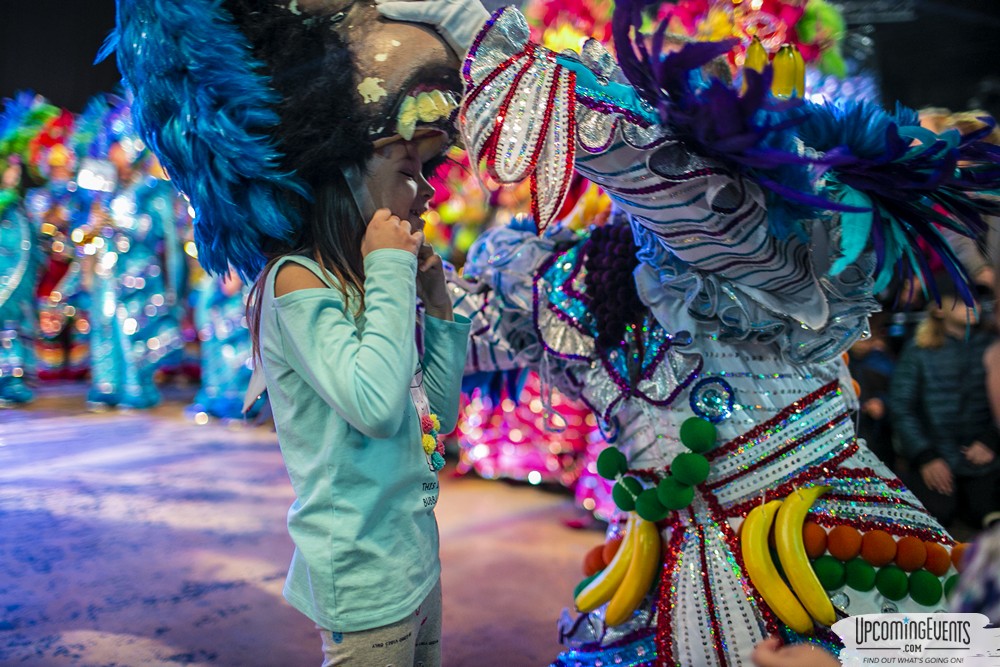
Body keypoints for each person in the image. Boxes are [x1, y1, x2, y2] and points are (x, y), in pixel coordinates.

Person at [105, 0, 477, 664]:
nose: (423, 191)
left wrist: (437, 302)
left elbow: (437, 418)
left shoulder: (368, 282)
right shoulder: (295, 281)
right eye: (407, 168)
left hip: (417, 565)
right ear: (346, 172)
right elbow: (373, 403)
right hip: (365, 586)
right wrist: (393, 266)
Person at [890, 278, 1000, 530]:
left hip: (987, 460)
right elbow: (901, 406)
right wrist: (925, 456)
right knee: (934, 522)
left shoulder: (992, 347)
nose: (973, 305)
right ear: (938, 308)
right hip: (936, 458)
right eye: (962, 300)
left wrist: (991, 440)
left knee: (988, 515)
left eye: (975, 299)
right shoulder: (918, 351)